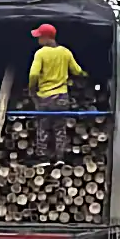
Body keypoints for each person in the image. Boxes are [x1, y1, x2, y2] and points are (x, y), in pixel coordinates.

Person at [27, 23, 85, 161]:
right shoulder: (65, 52)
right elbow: (77, 70)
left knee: (43, 127)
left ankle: (43, 158)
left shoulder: (40, 53)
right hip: (61, 97)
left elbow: (33, 74)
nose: (38, 40)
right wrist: (86, 76)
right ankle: (60, 157)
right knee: (60, 129)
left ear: (47, 38)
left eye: (40, 37)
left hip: (45, 97)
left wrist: (32, 89)